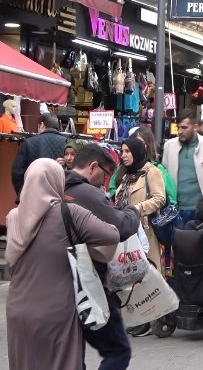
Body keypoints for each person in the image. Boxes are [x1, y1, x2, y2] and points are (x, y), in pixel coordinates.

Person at [5, 159, 119, 370]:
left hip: (17, 310)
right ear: (57, 182)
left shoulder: (13, 217)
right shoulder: (70, 213)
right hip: (57, 311)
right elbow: (112, 234)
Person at [65, 145, 140, 369]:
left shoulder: (55, 186)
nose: (105, 183)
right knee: (118, 350)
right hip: (88, 281)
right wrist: (132, 211)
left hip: (58, 282)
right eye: (105, 176)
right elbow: (119, 227)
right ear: (93, 166)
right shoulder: (87, 193)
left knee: (74, 353)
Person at [112, 137, 166, 274]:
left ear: (136, 152)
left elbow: (160, 198)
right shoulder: (126, 175)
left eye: (127, 151)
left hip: (145, 232)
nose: (123, 155)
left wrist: (137, 208)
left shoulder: (152, 171)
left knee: (149, 274)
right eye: (122, 151)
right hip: (126, 232)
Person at [161, 110, 203, 224]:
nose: (180, 131)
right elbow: (164, 177)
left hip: (202, 211)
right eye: (178, 127)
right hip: (175, 209)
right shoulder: (169, 146)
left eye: (184, 127)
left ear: (195, 127)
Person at [11, 113, 66, 197]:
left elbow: (17, 172)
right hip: (59, 194)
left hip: (34, 194)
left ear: (42, 125)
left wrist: (22, 193)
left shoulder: (29, 142)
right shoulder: (67, 143)